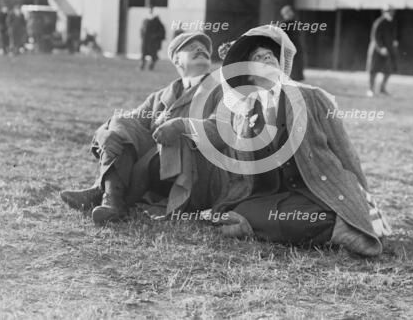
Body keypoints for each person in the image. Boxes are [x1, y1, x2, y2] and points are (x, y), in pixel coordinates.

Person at [204, 25, 391, 256]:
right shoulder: (247, 110)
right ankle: (328, 227)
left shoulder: (312, 97)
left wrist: (365, 199)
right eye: (257, 58)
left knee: (292, 218)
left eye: (270, 55)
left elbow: (345, 150)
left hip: (319, 191)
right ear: (249, 74)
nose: (267, 59)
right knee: (244, 210)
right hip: (280, 196)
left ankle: (339, 227)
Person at [60, 32, 235, 225]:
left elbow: (222, 131)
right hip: (156, 174)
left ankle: (103, 191)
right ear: (176, 59)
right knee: (119, 124)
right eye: (191, 47)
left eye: (204, 49)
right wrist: (106, 132)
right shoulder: (160, 96)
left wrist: (180, 125)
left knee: (152, 140)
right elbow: (125, 127)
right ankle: (112, 199)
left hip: (196, 176)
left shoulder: (221, 89)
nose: (200, 49)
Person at [367, 5, 398, 97]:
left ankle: (382, 88)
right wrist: (380, 48)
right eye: (389, 11)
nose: (391, 13)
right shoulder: (379, 22)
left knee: (388, 70)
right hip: (377, 50)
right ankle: (370, 89)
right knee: (373, 71)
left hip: (387, 51)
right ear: (384, 12)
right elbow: (374, 37)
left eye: (392, 11)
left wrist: (394, 42)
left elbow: (392, 35)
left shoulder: (391, 23)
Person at [279, 5, 304, 81]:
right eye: (288, 11)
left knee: (297, 70)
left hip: (297, 49)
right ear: (285, 14)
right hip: (289, 50)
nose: (291, 13)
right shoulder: (283, 24)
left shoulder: (295, 23)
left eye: (291, 11)